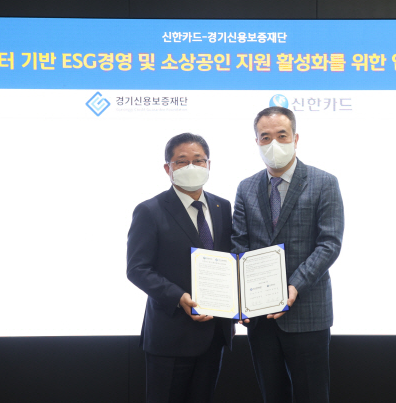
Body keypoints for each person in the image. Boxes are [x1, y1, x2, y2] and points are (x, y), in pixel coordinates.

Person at [232, 106, 344, 403]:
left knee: (312, 395)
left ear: (295, 138)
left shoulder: (324, 182)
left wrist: (293, 286)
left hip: (307, 312)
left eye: (281, 136)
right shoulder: (246, 187)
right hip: (261, 316)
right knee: (272, 394)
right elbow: (239, 244)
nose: (274, 144)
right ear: (256, 142)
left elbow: (329, 244)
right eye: (265, 137)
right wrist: (242, 296)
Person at [127, 133, 234, 403]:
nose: (191, 167)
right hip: (170, 335)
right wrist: (178, 297)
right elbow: (137, 268)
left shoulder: (222, 206)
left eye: (198, 160)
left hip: (214, 333)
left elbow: (229, 260)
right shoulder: (150, 210)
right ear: (168, 168)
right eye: (182, 161)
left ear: (209, 165)